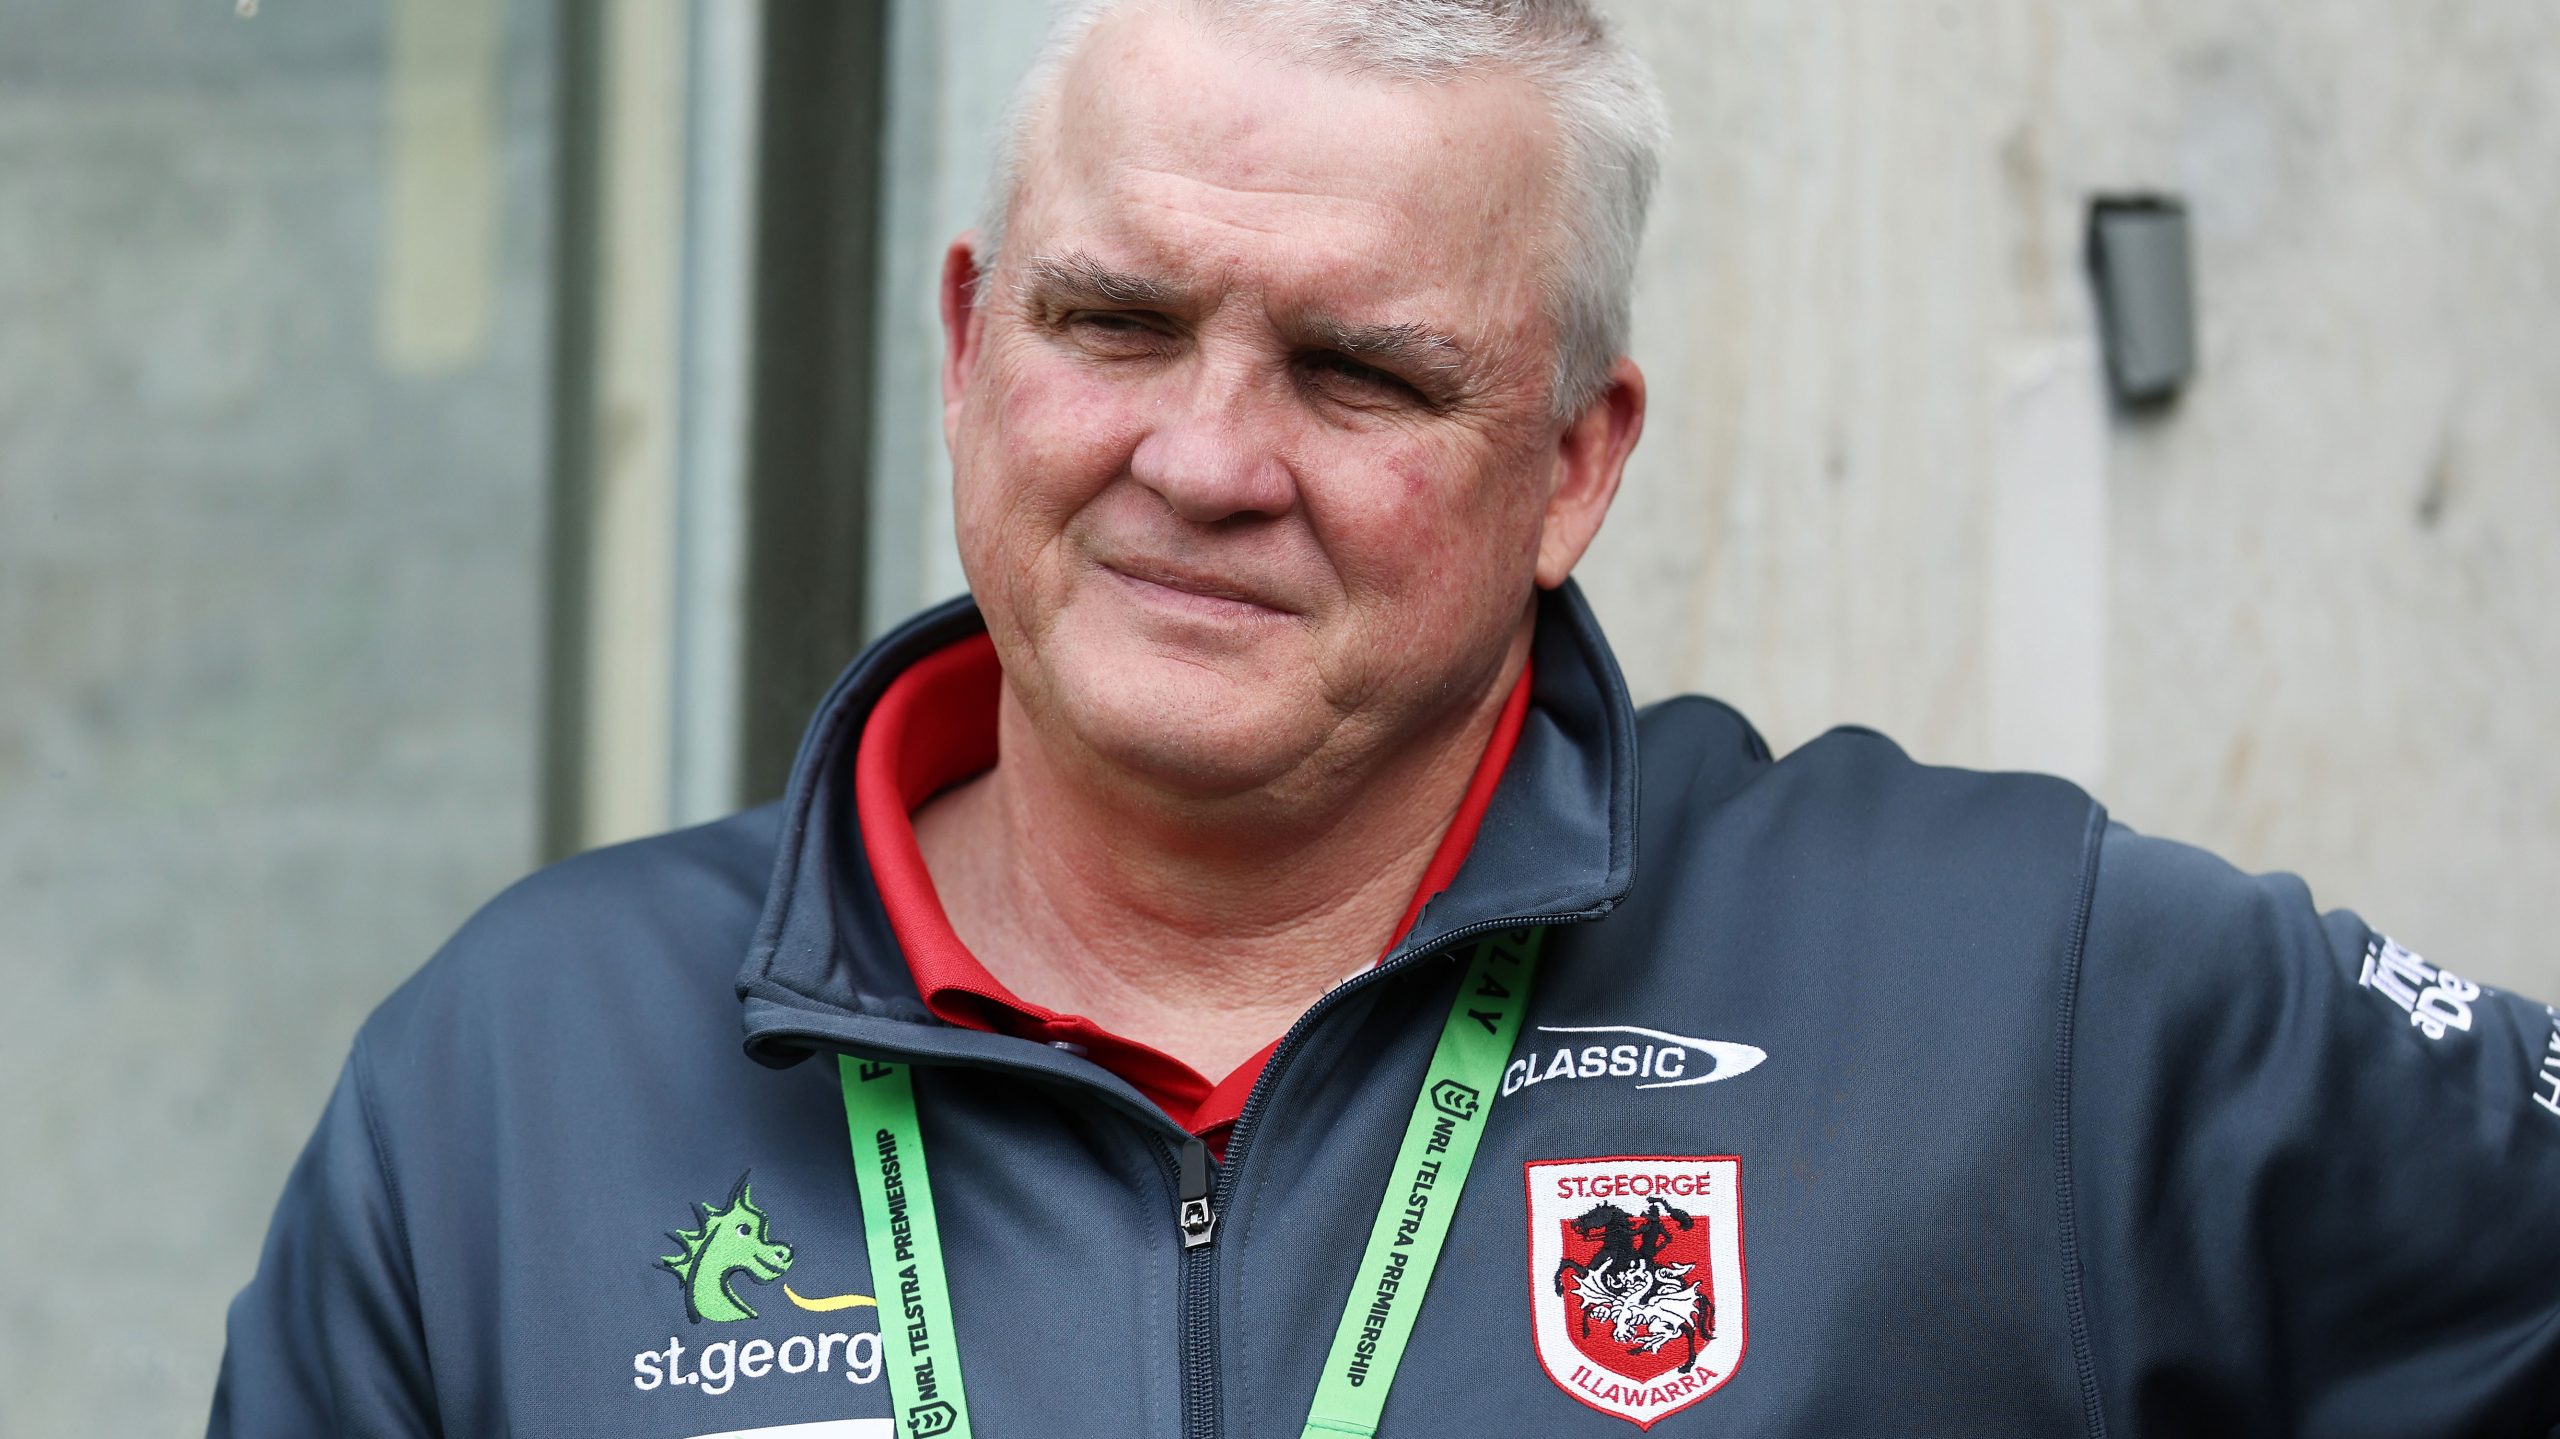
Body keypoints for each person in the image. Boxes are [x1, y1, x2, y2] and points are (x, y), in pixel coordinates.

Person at [212, 1, 2560, 1435]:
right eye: (1114, 322)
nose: (1206, 460)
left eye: (1358, 372)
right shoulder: (504, 1087)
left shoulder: (2004, 998)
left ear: (1573, 464)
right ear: (962, 344)